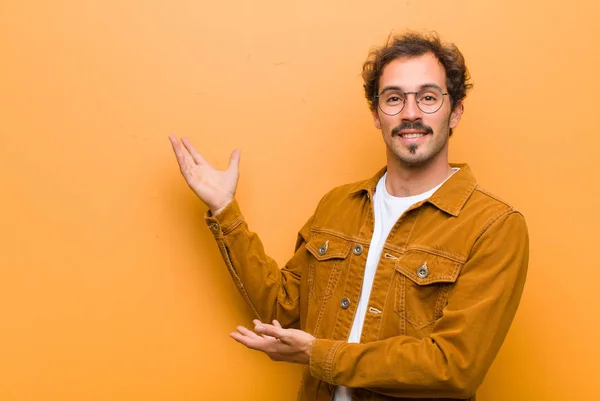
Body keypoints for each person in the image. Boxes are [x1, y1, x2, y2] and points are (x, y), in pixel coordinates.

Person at [169, 31, 529, 401]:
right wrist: (225, 210)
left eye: (427, 97)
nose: (410, 112)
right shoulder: (338, 205)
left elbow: (455, 366)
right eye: (393, 98)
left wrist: (319, 355)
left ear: (454, 111)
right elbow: (284, 311)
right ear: (376, 114)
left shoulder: (494, 226)